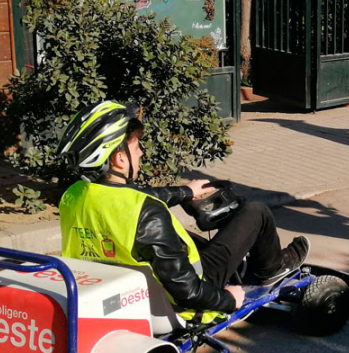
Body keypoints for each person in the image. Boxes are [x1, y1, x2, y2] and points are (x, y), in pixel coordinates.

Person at [56, 101, 310, 324]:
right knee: (256, 212)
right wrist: (228, 299)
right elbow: (188, 292)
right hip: (183, 299)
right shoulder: (146, 214)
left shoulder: (73, 196)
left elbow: (131, 200)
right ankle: (273, 268)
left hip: (120, 291)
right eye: (137, 148)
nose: (142, 153)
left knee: (188, 238)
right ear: (119, 159)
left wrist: (186, 192)